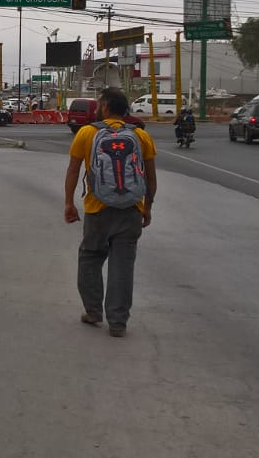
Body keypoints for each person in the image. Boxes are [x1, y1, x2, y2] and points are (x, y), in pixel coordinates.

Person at [63, 87, 157, 337]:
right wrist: (147, 207)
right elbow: (150, 177)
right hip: (131, 209)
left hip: (98, 209)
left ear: (104, 107)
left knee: (91, 257)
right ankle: (118, 322)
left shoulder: (86, 133)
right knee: (123, 265)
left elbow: (73, 170)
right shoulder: (140, 136)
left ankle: (93, 311)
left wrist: (69, 203)